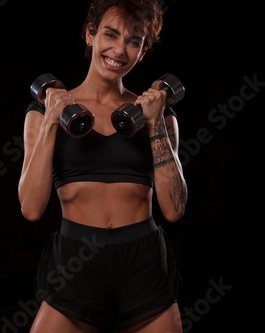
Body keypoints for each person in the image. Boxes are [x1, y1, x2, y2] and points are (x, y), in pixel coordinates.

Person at [18, 0, 187, 332]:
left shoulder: (158, 114)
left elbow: (174, 210)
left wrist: (154, 125)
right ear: (89, 34)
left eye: (133, 41)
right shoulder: (45, 112)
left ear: (143, 51)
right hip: (76, 259)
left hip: (143, 260)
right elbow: (31, 208)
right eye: (110, 34)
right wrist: (53, 119)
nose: (119, 49)